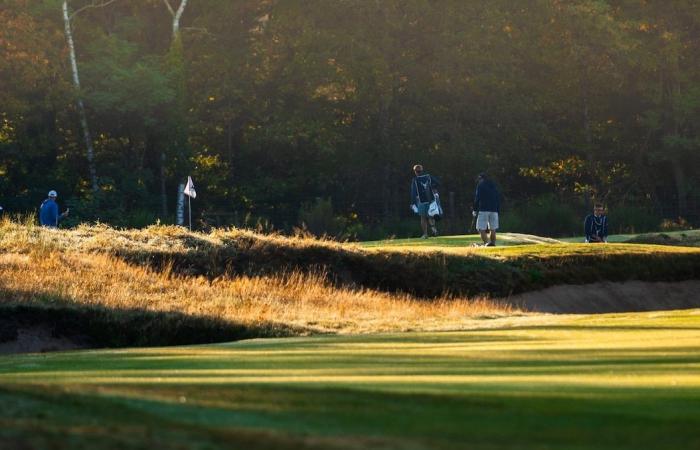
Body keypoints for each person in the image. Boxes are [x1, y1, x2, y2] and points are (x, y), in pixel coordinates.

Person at [410, 164, 440, 239]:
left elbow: (413, 192)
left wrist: (412, 202)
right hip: (431, 200)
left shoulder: (415, 180)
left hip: (421, 201)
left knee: (423, 218)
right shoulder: (428, 176)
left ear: (415, 171)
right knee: (430, 215)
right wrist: (432, 188)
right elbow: (437, 183)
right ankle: (433, 229)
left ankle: (425, 234)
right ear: (422, 170)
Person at [472, 173, 500, 246]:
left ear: (481, 178)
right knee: (493, 229)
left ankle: (487, 243)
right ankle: (493, 244)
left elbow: (477, 198)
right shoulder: (493, 185)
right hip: (494, 210)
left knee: (481, 229)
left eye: (479, 179)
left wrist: (474, 210)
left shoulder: (480, 185)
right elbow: (498, 197)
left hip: (484, 210)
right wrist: (497, 209)